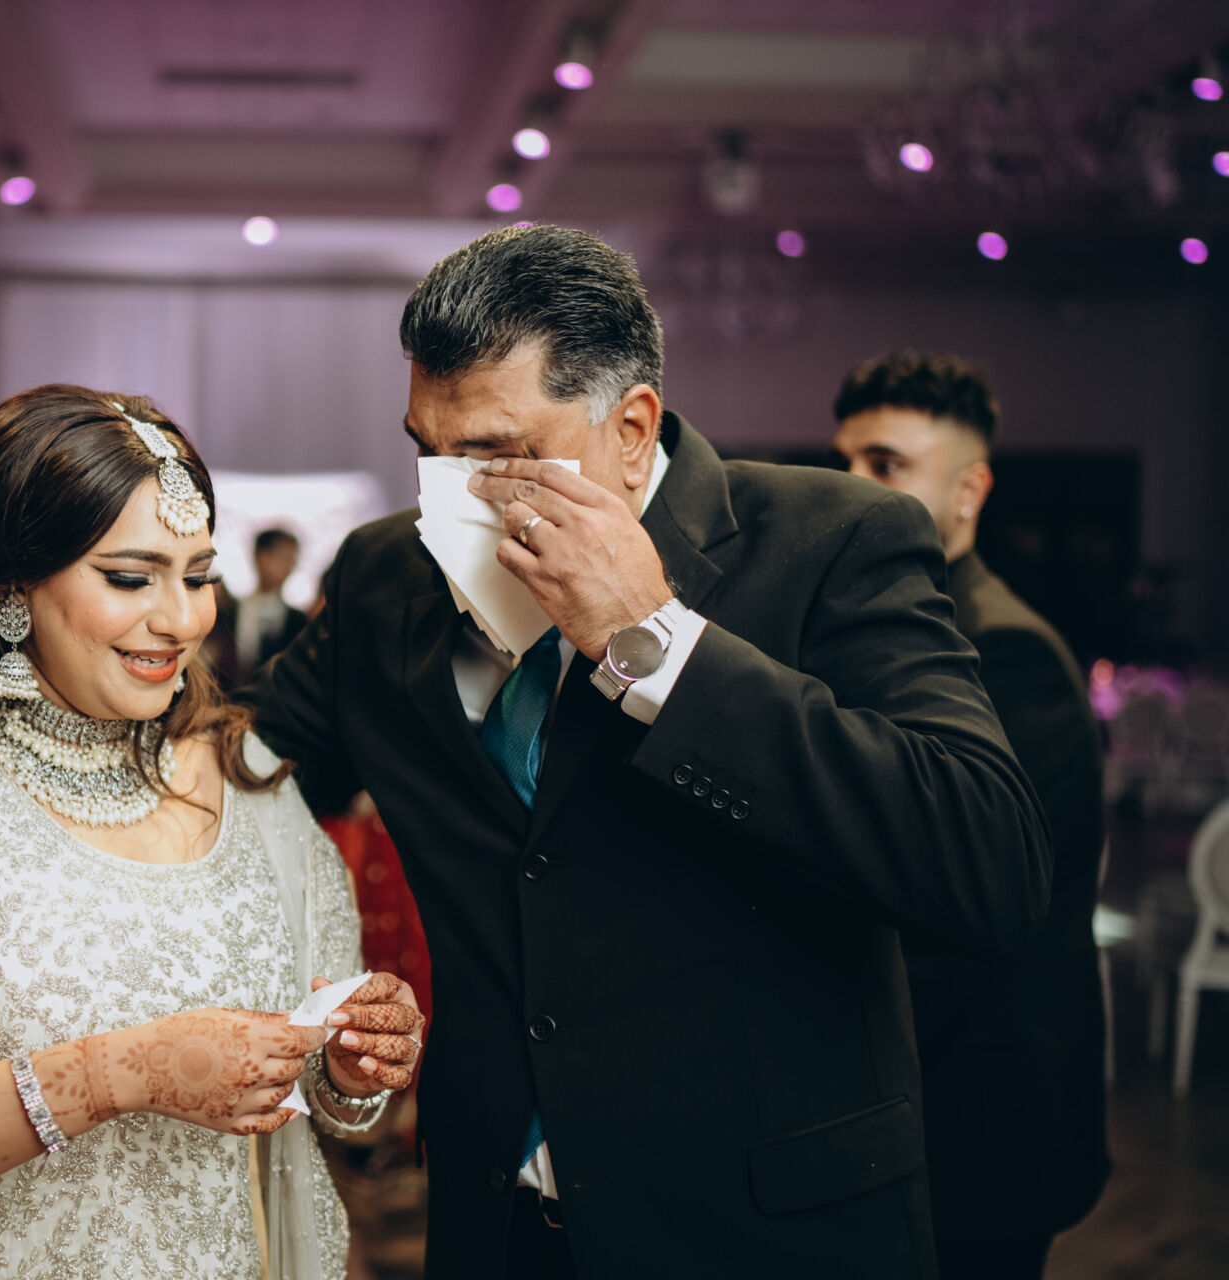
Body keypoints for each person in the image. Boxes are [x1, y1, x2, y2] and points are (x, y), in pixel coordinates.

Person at [246, 225, 1049, 1279]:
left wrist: (657, 641)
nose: (453, 493)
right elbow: (243, 770)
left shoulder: (834, 539)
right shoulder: (384, 574)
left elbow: (988, 860)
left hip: (767, 1235)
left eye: (494, 454)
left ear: (630, 430)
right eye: (429, 451)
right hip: (495, 1232)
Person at [0, 385, 423, 1279]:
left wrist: (349, 1064)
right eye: (130, 578)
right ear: (9, 582)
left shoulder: (247, 780)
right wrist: (117, 1075)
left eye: (198, 576)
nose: (180, 619)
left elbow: (314, 1086)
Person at [833, 350, 1110, 1279]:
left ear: (969, 491)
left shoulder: (1008, 652)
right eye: (846, 462)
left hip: (984, 1116)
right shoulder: (885, 625)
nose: (853, 488)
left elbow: (982, 907)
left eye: (887, 464)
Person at [211, 528, 310, 688]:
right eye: (281, 557)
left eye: (292, 560)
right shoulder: (230, 611)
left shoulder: (298, 620)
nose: (288, 567)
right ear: (259, 557)